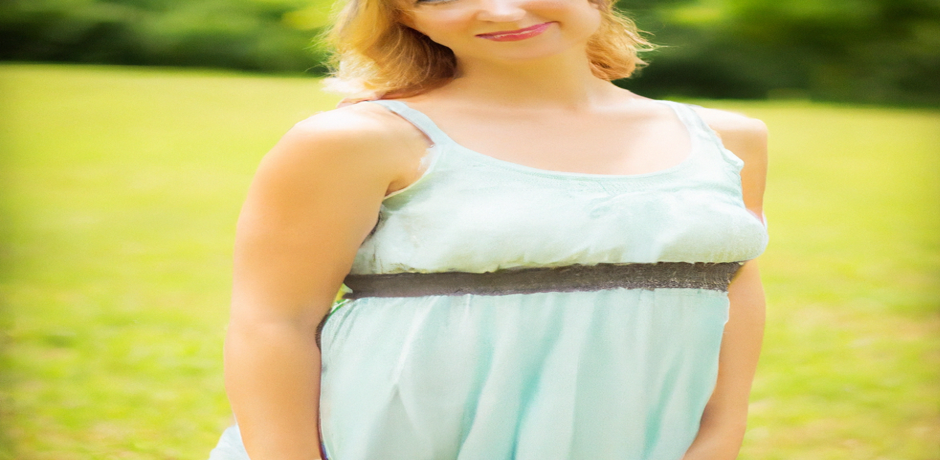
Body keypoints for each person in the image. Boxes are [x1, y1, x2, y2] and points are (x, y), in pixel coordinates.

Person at [209, 0, 769, 459]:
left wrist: (720, 436)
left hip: (636, 438)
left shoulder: (726, 139)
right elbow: (273, 321)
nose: (501, 10)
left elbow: (736, 285)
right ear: (403, 15)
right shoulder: (357, 140)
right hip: (399, 439)